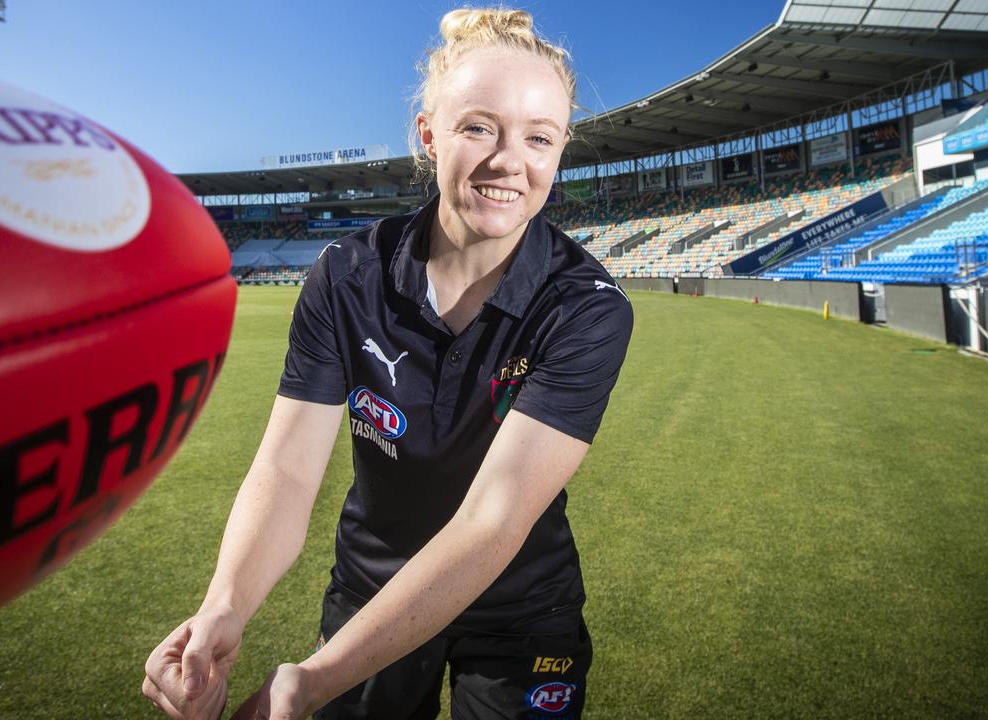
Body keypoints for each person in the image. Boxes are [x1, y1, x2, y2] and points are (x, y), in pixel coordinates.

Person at [142, 7, 633, 719]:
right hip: (372, 587)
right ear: (429, 136)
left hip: (521, 614)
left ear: (559, 154)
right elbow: (286, 469)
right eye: (477, 127)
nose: (508, 161)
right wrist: (224, 607)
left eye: (539, 138)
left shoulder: (586, 307)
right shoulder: (347, 273)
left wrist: (310, 682)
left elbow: (492, 524)